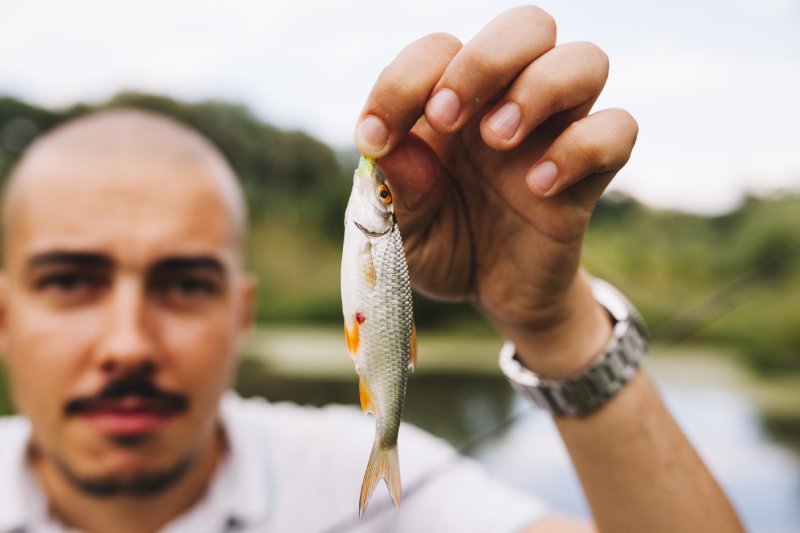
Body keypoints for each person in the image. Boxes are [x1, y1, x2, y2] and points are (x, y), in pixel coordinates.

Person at [0, 5, 743, 533]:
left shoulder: (387, 480)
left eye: (185, 284)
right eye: (70, 281)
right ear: (3, 317)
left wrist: (555, 324)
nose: (128, 343)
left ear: (242, 315)